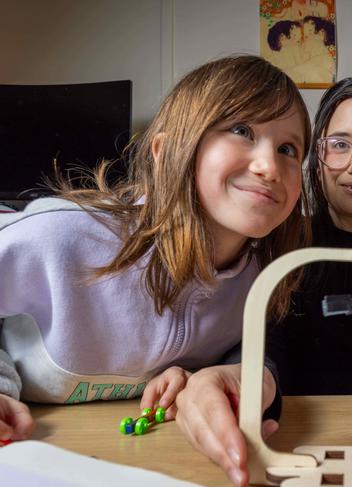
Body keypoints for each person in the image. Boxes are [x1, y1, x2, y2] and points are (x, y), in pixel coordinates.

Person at [0, 55, 311, 443]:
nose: (269, 165)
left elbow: (245, 348)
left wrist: (196, 376)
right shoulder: (61, 236)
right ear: (165, 152)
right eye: (241, 129)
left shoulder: (261, 279)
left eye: (288, 149)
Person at [175, 77, 352, 487]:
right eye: (339, 145)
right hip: (297, 450)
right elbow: (265, 348)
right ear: (317, 160)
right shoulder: (274, 248)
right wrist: (247, 377)